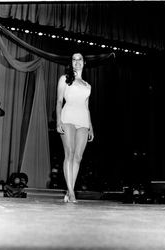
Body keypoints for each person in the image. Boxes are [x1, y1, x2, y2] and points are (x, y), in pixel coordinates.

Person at [56, 52, 94, 203]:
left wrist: (90, 126)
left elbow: (87, 106)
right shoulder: (64, 79)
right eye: (74, 59)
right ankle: (71, 192)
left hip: (83, 120)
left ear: (84, 62)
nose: (77, 62)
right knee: (69, 153)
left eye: (80, 59)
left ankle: (69, 189)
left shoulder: (87, 85)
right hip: (68, 117)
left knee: (78, 157)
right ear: (71, 62)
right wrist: (58, 121)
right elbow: (59, 101)